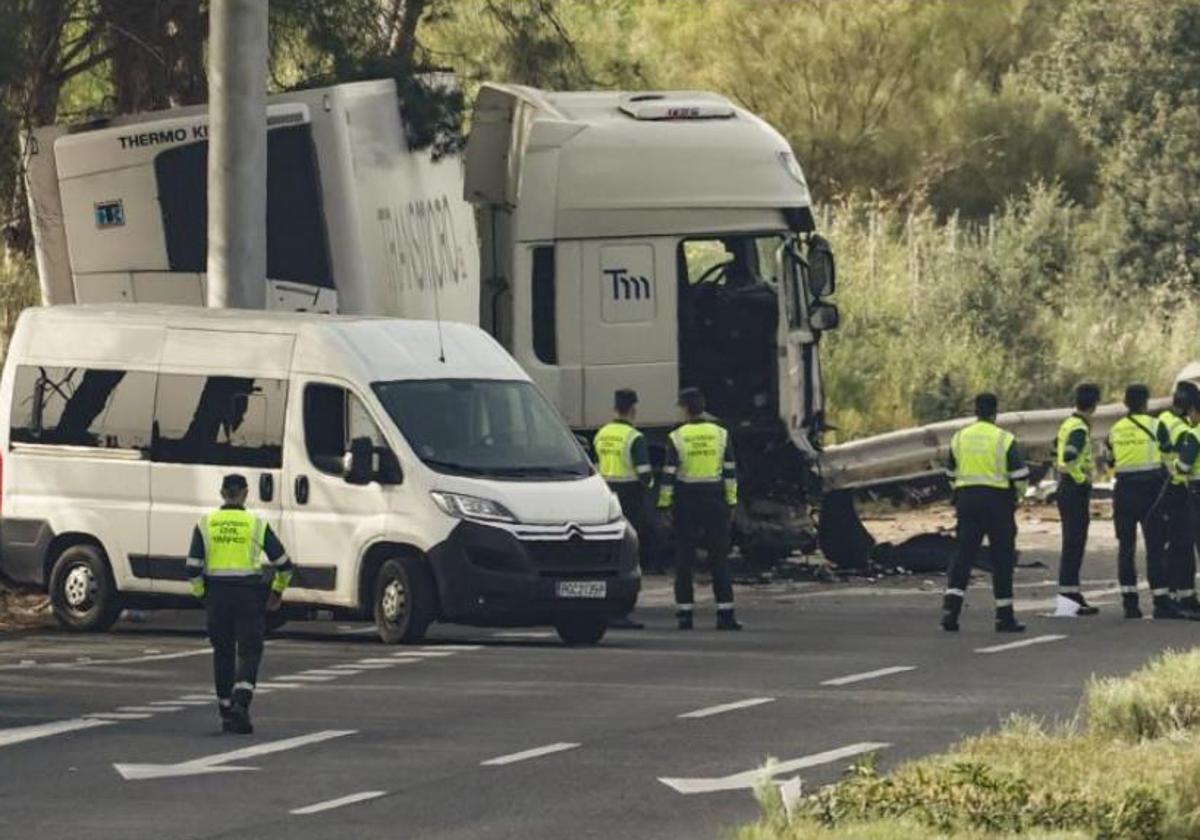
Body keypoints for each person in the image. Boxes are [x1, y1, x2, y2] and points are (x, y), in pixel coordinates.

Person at [187, 474, 294, 734]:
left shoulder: (206, 524)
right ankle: (241, 705)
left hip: (217, 596)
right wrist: (276, 593)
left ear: (222, 493)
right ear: (245, 493)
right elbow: (284, 565)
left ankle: (226, 709)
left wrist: (203, 595)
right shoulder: (255, 524)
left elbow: (192, 567)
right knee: (248, 652)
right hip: (248, 597)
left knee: (222, 652)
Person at [941, 393, 1029, 633]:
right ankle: (1004, 616)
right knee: (1002, 558)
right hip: (997, 501)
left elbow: (949, 473)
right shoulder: (1004, 438)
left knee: (963, 556)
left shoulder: (959, 437)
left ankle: (950, 612)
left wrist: (960, 492)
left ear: (975, 411)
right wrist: (1017, 497)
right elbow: (1020, 476)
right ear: (995, 412)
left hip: (967, 500)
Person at [658, 387, 741, 631]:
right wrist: (732, 502)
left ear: (684, 408)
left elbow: (669, 475)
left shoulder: (677, 437)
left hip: (687, 499)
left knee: (684, 557)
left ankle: (685, 614)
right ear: (703, 407)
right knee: (719, 558)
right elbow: (730, 472)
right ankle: (725, 614)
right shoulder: (721, 434)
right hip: (715, 498)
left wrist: (664, 505)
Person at [1107, 384, 1178, 619]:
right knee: (1156, 548)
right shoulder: (1157, 426)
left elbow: (1110, 459)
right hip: (1152, 493)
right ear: (1146, 403)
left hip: (1124, 492)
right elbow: (1169, 455)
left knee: (1125, 548)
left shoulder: (1115, 430)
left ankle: (1130, 604)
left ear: (1126, 403)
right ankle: (1160, 601)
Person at [594, 388, 654, 630]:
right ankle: (623, 609)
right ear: (633, 410)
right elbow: (645, 475)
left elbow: (596, 464)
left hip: (606, 495)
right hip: (629, 497)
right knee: (629, 554)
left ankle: (604, 605)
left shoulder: (601, 434)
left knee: (607, 552)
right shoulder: (634, 437)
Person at [1054, 383, 1101, 617]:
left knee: (1072, 542)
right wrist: (1082, 479)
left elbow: (1056, 449)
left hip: (1064, 487)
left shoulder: (1068, 423)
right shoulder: (1080, 428)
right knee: (1074, 542)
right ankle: (1068, 598)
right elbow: (1069, 455)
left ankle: (1071, 593)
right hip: (1073, 489)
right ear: (1095, 404)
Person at [1157, 381, 1200, 618]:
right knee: (1180, 545)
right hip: (1176, 490)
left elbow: (1182, 464)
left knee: (1181, 544)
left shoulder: (1187, 428)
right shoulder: (1175, 424)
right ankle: (1180, 595)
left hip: (1182, 487)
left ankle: (1181, 595)